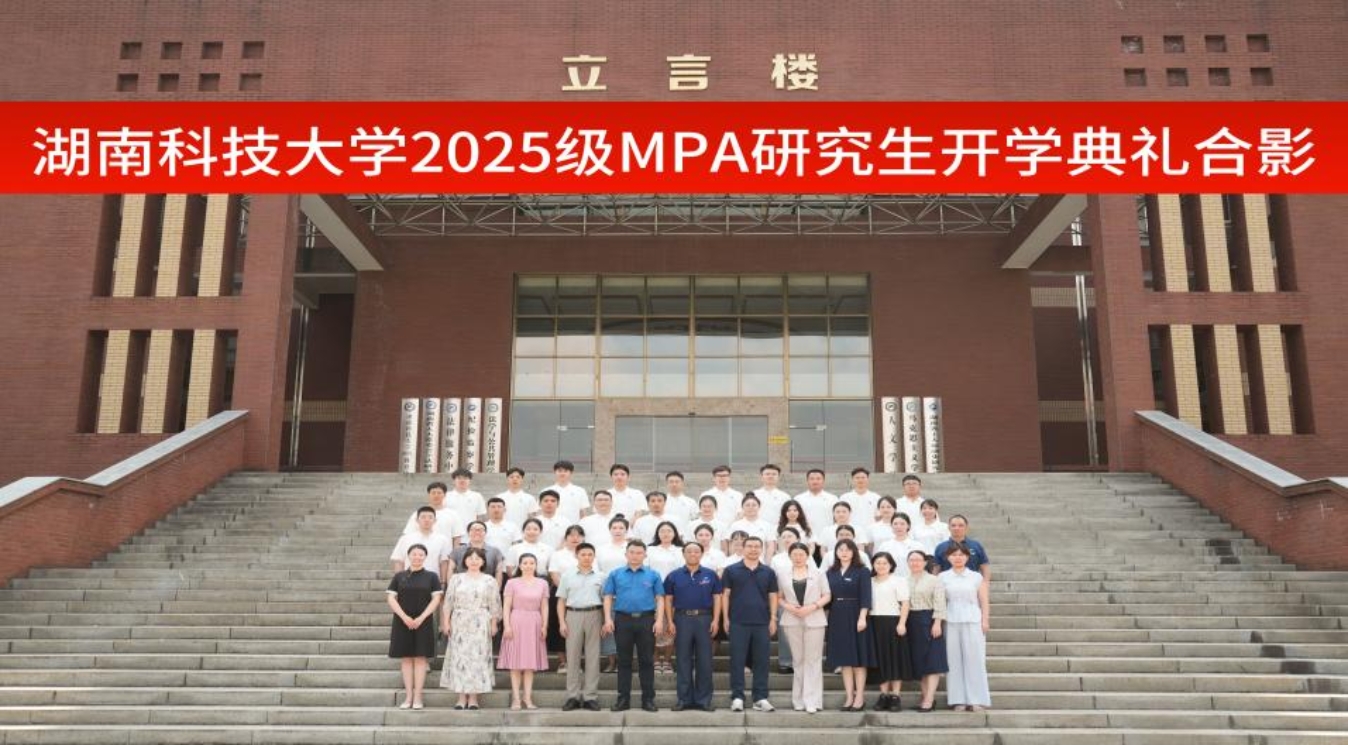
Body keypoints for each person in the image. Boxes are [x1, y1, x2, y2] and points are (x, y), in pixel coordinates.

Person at [602, 540, 666, 712]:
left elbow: (660, 598)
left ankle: (648, 699)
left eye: (639, 553)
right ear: (626, 554)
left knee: (647, 660)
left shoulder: (653, 574)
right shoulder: (615, 574)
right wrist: (608, 619)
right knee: (624, 661)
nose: (635, 555)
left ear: (645, 555)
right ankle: (623, 699)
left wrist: (659, 620)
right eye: (632, 552)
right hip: (622, 620)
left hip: (646, 620)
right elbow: (608, 597)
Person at [663, 542, 723, 711]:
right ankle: (684, 699)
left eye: (696, 551)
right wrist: (670, 621)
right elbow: (668, 599)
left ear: (701, 554)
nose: (693, 554)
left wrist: (715, 620)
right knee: (683, 660)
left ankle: (704, 700)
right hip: (682, 619)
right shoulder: (674, 575)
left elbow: (717, 597)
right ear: (683, 554)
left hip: (704, 619)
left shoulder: (710, 574)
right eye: (689, 551)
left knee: (705, 660)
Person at [439, 547, 501, 709]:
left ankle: (473, 698)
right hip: (460, 621)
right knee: (460, 658)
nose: (474, 561)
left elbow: (495, 603)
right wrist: (446, 622)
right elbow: (448, 602)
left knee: (477, 658)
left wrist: (494, 623)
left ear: (483, 562)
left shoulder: (489, 580)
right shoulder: (456, 579)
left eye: (477, 558)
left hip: (481, 621)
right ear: (464, 561)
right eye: (470, 558)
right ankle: (461, 697)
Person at [721, 535, 778, 712]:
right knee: (737, 660)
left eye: (757, 546)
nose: (753, 549)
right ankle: (737, 696)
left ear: (761, 549)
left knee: (762, 661)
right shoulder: (731, 570)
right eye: (750, 546)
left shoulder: (768, 572)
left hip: (762, 622)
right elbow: (725, 595)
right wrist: (725, 618)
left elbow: (773, 596)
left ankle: (760, 698)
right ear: (743, 548)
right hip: (738, 621)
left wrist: (773, 618)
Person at [387, 543, 444, 710]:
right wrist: (404, 617)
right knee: (406, 658)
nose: (417, 557)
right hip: (402, 621)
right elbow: (391, 598)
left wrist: (421, 618)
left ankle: (418, 696)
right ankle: (408, 697)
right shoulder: (399, 577)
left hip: (423, 622)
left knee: (420, 658)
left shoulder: (432, 577)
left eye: (421, 554)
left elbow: (436, 599)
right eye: (414, 554)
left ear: (425, 557)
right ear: (408, 556)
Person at [775, 541, 829, 714]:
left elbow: (827, 595)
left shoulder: (818, 573)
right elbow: (778, 597)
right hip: (791, 619)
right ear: (789, 556)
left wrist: (812, 607)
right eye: (794, 554)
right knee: (798, 660)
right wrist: (789, 607)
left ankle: (812, 700)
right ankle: (798, 700)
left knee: (813, 660)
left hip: (814, 618)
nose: (798, 557)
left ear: (808, 556)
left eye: (801, 554)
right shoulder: (782, 574)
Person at [825, 538, 875, 711]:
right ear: (836, 553)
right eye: (840, 550)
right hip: (837, 615)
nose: (844, 553)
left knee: (858, 660)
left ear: (854, 552)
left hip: (856, 614)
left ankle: (859, 697)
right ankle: (849, 697)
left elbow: (866, 595)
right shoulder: (831, 572)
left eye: (847, 549)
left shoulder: (862, 571)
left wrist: (862, 617)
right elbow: (826, 596)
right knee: (844, 660)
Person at [941, 543, 991, 711]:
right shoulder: (942, 577)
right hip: (951, 620)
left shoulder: (976, 577)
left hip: (973, 619)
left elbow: (984, 600)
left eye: (961, 555)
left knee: (975, 659)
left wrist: (985, 620)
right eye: (954, 555)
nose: (958, 558)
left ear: (967, 557)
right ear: (948, 558)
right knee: (953, 661)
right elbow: (940, 601)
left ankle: (976, 699)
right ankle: (958, 699)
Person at [557, 542, 606, 712]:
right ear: (576, 556)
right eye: (583, 554)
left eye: (590, 554)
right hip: (573, 615)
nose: (586, 557)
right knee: (572, 657)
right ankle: (573, 696)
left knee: (593, 656)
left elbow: (606, 600)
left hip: (594, 614)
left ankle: (590, 696)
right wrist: (562, 622)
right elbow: (561, 600)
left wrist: (605, 620)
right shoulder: (567, 576)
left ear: (594, 556)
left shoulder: (601, 577)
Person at [498, 554, 550, 709]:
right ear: (520, 565)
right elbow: (506, 606)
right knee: (515, 664)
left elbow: (545, 606)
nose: (528, 565)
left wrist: (544, 625)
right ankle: (516, 699)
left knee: (529, 664)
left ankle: (527, 698)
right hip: (516, 620)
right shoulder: (512, 583)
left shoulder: (542, 583)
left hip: (534, 621)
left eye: (532, 563)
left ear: (536, 565)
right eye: (525, 563)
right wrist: (507, 626)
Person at [905, 550, 948, 713]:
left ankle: (929, 699)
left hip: (929, 619)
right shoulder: (903, 580)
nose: (915, 563)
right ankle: (925, 697)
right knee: (919, 662)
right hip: (910, 621)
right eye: (911, 560)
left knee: (932, 661)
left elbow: (940, 602)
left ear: (924, 562)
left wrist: (937, 622)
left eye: (918, 560)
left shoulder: (934, 580)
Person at [868, 551, 913, 711]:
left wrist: (902, 623)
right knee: (880, 660)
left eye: (884, 563)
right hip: (874, 622)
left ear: (891, 565)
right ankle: (884, 695)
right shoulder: (869, 581)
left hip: (893, 622)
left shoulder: (898, 581)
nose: (881, 566)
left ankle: (895, 696)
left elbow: (905, 603)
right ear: (873, 565)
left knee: (894, 659)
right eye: (878, 563)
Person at [645, 520, 684, 674]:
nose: (666, 533)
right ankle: (655, 660)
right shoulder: (650, 550)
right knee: (654, 627)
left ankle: (667, 661)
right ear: (657, 534)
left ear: (675, 533)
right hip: (653, 593)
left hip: (675, 593)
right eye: (662, 531)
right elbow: (646, 570)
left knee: (670, 627)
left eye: (669, 530)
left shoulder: (680, 550)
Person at [548, 525, 587, 673]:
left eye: (578, 535)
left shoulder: (587, 553)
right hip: (561, 595)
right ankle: (563, 662)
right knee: (559, 626)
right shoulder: (558, 555)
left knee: (578, 630)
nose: (575, 538)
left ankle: (576, 662)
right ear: (566, 538)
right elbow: (554, 574)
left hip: (583, 595)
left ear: (583, 538)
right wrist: (566, 591)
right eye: (571, 535)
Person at [769, 527, 801, 673]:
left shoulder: (806, 555)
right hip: (783, 599)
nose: (787, 539)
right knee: (785, 632)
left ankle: (800, 662)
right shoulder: (777, 559)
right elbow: (773, 581)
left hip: (803, 600)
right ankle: (785, 662)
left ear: (797, 539)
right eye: (784, 537)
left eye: (790, 536)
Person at [391, 507, 452, 582]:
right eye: (423, 517)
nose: (426, 520)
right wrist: (399, 581)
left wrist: (443, 582)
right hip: (408, 581)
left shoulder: (442, 540)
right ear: (417, 520)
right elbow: (399, 561)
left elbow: (444, 562)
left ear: (435, 521)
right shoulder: (405, 539)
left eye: (430, 517)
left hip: (432, 582)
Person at [402, 481, 463, 547]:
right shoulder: (418, 513)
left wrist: (455, 553)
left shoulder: (453, 514)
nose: (436, 495)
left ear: (445, 495)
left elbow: (457, 537)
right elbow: (408, 535)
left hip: (445, 552)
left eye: (439, 493)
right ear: (429, 495)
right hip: (422, 552)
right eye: (433, 493)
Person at [934, 515, 992, 581]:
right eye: (953, 525)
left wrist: (986, 582)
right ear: (949, 528)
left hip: (972, 583)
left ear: (966, 527)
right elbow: (936, 569)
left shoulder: (976, 545)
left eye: (961, 525)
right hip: (947, 584)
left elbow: (984, 566)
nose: (956, 528)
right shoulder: (941, 547)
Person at [449, 520, 506, 585]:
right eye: (473, 530)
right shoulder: (457, 551)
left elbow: (498, 572)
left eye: (480, 530)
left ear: (485, 533)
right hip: (461, 587)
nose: (477, 532)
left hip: (486, 587)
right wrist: (450, 587)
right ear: (468, 533)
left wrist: (497, 588)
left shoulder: (495, 551)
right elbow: (451, 569)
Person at [793, 469, 838, 537]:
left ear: (823, 481)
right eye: (812, 479)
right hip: (804, 536)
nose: (815, 481)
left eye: (818, 479)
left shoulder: (833, 499)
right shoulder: (798, 499)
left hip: (827, 536)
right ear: (807, 481)